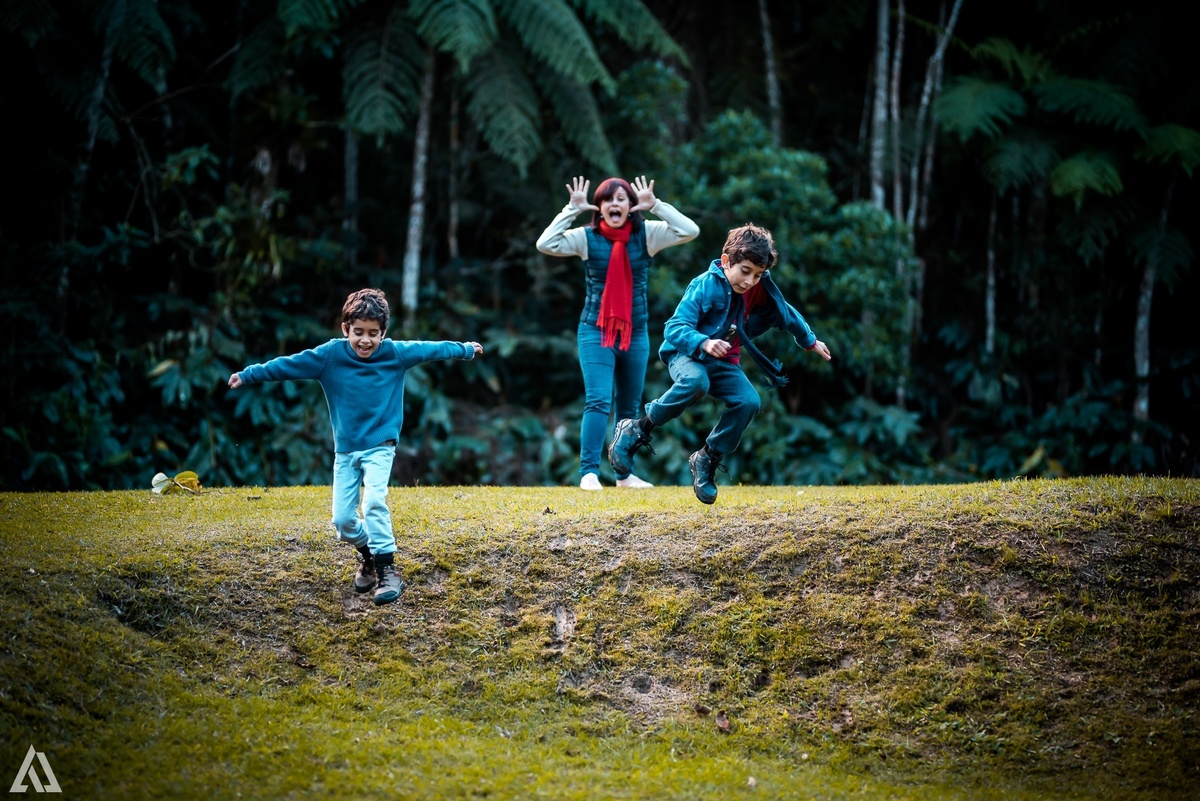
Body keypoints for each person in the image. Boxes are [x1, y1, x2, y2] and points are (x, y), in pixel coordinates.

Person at [227, 288, 483, 605]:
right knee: (343, 522)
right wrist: (248, 375)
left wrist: (464, 349)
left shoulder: (394, 354)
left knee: (373, 501)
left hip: (380, 445)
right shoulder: (329, 356)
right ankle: (368, 557)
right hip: (346, 450)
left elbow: (430, 349)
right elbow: (289, 365)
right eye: (358, 332)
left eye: (373, 334)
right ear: (345, 328)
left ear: (383, 333)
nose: (365, 340)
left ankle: (388, 570)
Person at [608, 223, 832, 504]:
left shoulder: (760, 289)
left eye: (758, 274)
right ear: (726, 261)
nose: (750, 281)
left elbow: (786, 313)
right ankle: (638, 428)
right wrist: (703, 342)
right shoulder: (704, 285)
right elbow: (674, 327)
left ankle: (706, 458)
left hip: (723, 362)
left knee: (749, 401)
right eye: (745, 271)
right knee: (696, 381)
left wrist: (810, 341)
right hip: (686, 354)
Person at [536, 175, 699, 491]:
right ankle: (589, 473)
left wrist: (657, 206)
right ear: (599, 207)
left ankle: (624, 476)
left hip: (635, 334)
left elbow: (689, 231)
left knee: (628, 407)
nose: (614, 204)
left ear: (631, 206)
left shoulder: (646, 235)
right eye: (607, 199)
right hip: (595, 332)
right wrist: (571, 210)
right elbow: (546, 243)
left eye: (621, 199)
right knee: (598, 400)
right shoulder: (587, 238)